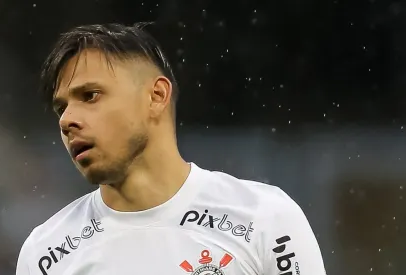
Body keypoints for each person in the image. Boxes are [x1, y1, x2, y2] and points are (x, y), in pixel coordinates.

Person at [16, 23, 327, 275]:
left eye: (91, 95)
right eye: (61, 108)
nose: (67, 119)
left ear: (156, 96)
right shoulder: (45, 254)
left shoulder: (264, 220)